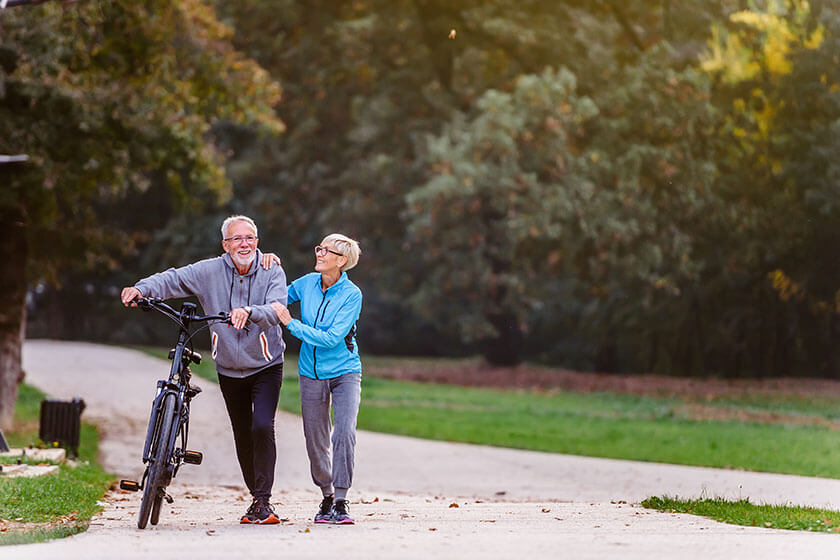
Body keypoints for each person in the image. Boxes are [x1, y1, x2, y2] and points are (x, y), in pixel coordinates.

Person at [120, 215, 287, 525]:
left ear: (258, 241)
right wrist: (140, 288)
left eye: (249, 237)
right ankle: (257, 498)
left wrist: (250, 311)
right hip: (227, 367)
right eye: (236, 239)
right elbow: (172, 279)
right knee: (242, 432)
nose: (244, 244)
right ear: (225, 245)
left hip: (265, 365)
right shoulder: (209, 270)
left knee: (261, 426)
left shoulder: (271, 269)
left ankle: (263, 500)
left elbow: (278, 309)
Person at [263, 233, 362, 525]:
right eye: (318, 247)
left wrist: (291, 324)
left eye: (325, 250)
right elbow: (277, 295)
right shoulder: (306, 283)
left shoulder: (352, 294)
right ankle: (327, 494)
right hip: (310, 374)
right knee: (315, 439)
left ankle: (342, 501)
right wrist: (268, 264)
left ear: (341, 260)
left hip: (345, 372)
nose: (318, 253)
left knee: (344, 433)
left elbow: (332, 339)